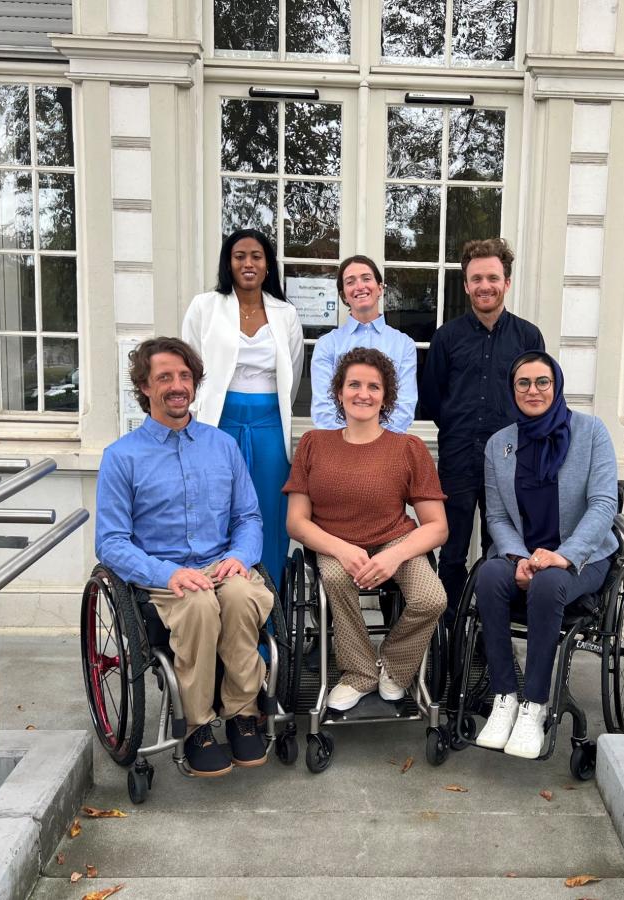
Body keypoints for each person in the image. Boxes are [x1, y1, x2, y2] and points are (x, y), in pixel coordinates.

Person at [95, 337, 275, 776]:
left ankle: (243, 713)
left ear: (194, 384)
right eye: (164, 377)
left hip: (220, 563)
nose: (177, 386)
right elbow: (112, 542)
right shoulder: (121, 457)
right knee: (197, 604)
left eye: (184, 376)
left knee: (241, 596)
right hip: (162, 574)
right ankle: (197, 725)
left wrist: (240, 555)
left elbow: (248, 516)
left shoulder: (222, 446)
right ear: (144, 387)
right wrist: (167, 574)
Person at [471, 350, 618, 759]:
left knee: (549, 584)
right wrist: (518, 557)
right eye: (523, 383)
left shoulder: (591, 432)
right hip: (523, 555)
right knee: (488, 576)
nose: (533, 390)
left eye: (542, 382)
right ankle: (505, 696)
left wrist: (563, 556)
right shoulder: (500, 444)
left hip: (581, 558)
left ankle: (534, 704)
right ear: (512, 389)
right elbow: (496, 516)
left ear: (556, 386)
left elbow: (604, 504)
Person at [284, 347, 448, 712]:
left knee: (431, 598)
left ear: (386, 397)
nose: (363, 394)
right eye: (354, 385)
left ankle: (393, 665)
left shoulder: (408, 447)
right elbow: (296, 521)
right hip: (333, 540)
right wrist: (341, 549)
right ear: (339, 392)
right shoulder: (313, 443)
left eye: (374, 387)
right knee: (336, 578)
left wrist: (394, 556)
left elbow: (437, 527)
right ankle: (359, 673)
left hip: (394, 539)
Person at [419, 238, 544, 617]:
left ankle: (492, 634)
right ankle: (450, 630)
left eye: (492, 277)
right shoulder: (447, 338)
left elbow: (538, 397)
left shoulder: (528, 337)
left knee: (503, 550)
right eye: (476, 279)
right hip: (458, 457)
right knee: (452, 551)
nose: (484, 286)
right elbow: (433, 398)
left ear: (507, 282)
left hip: (511, 462)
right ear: (466, 284)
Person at [181, 229, 304, 590]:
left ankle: (268, 610)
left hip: (269, 426)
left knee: (269, 512)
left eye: (256, 256)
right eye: (239, 256)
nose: (248, 263)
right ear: (228, 263)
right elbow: (189, 365)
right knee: (217, 510)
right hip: (219, 423)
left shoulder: (285, 313)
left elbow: (293, 375)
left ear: (268, 265)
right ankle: (218, 600)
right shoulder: (204, 306)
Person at [309, 255, 417, 433]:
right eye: (350, 282)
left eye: (366, 279)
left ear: (380, 288)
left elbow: (404, 406)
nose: (360, 286)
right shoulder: (327, 345)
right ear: (343, 295)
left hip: (388, 445)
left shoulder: (404, 344)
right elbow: (323, 407)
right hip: (339, 445)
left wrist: (377, 442)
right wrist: (348, 441)